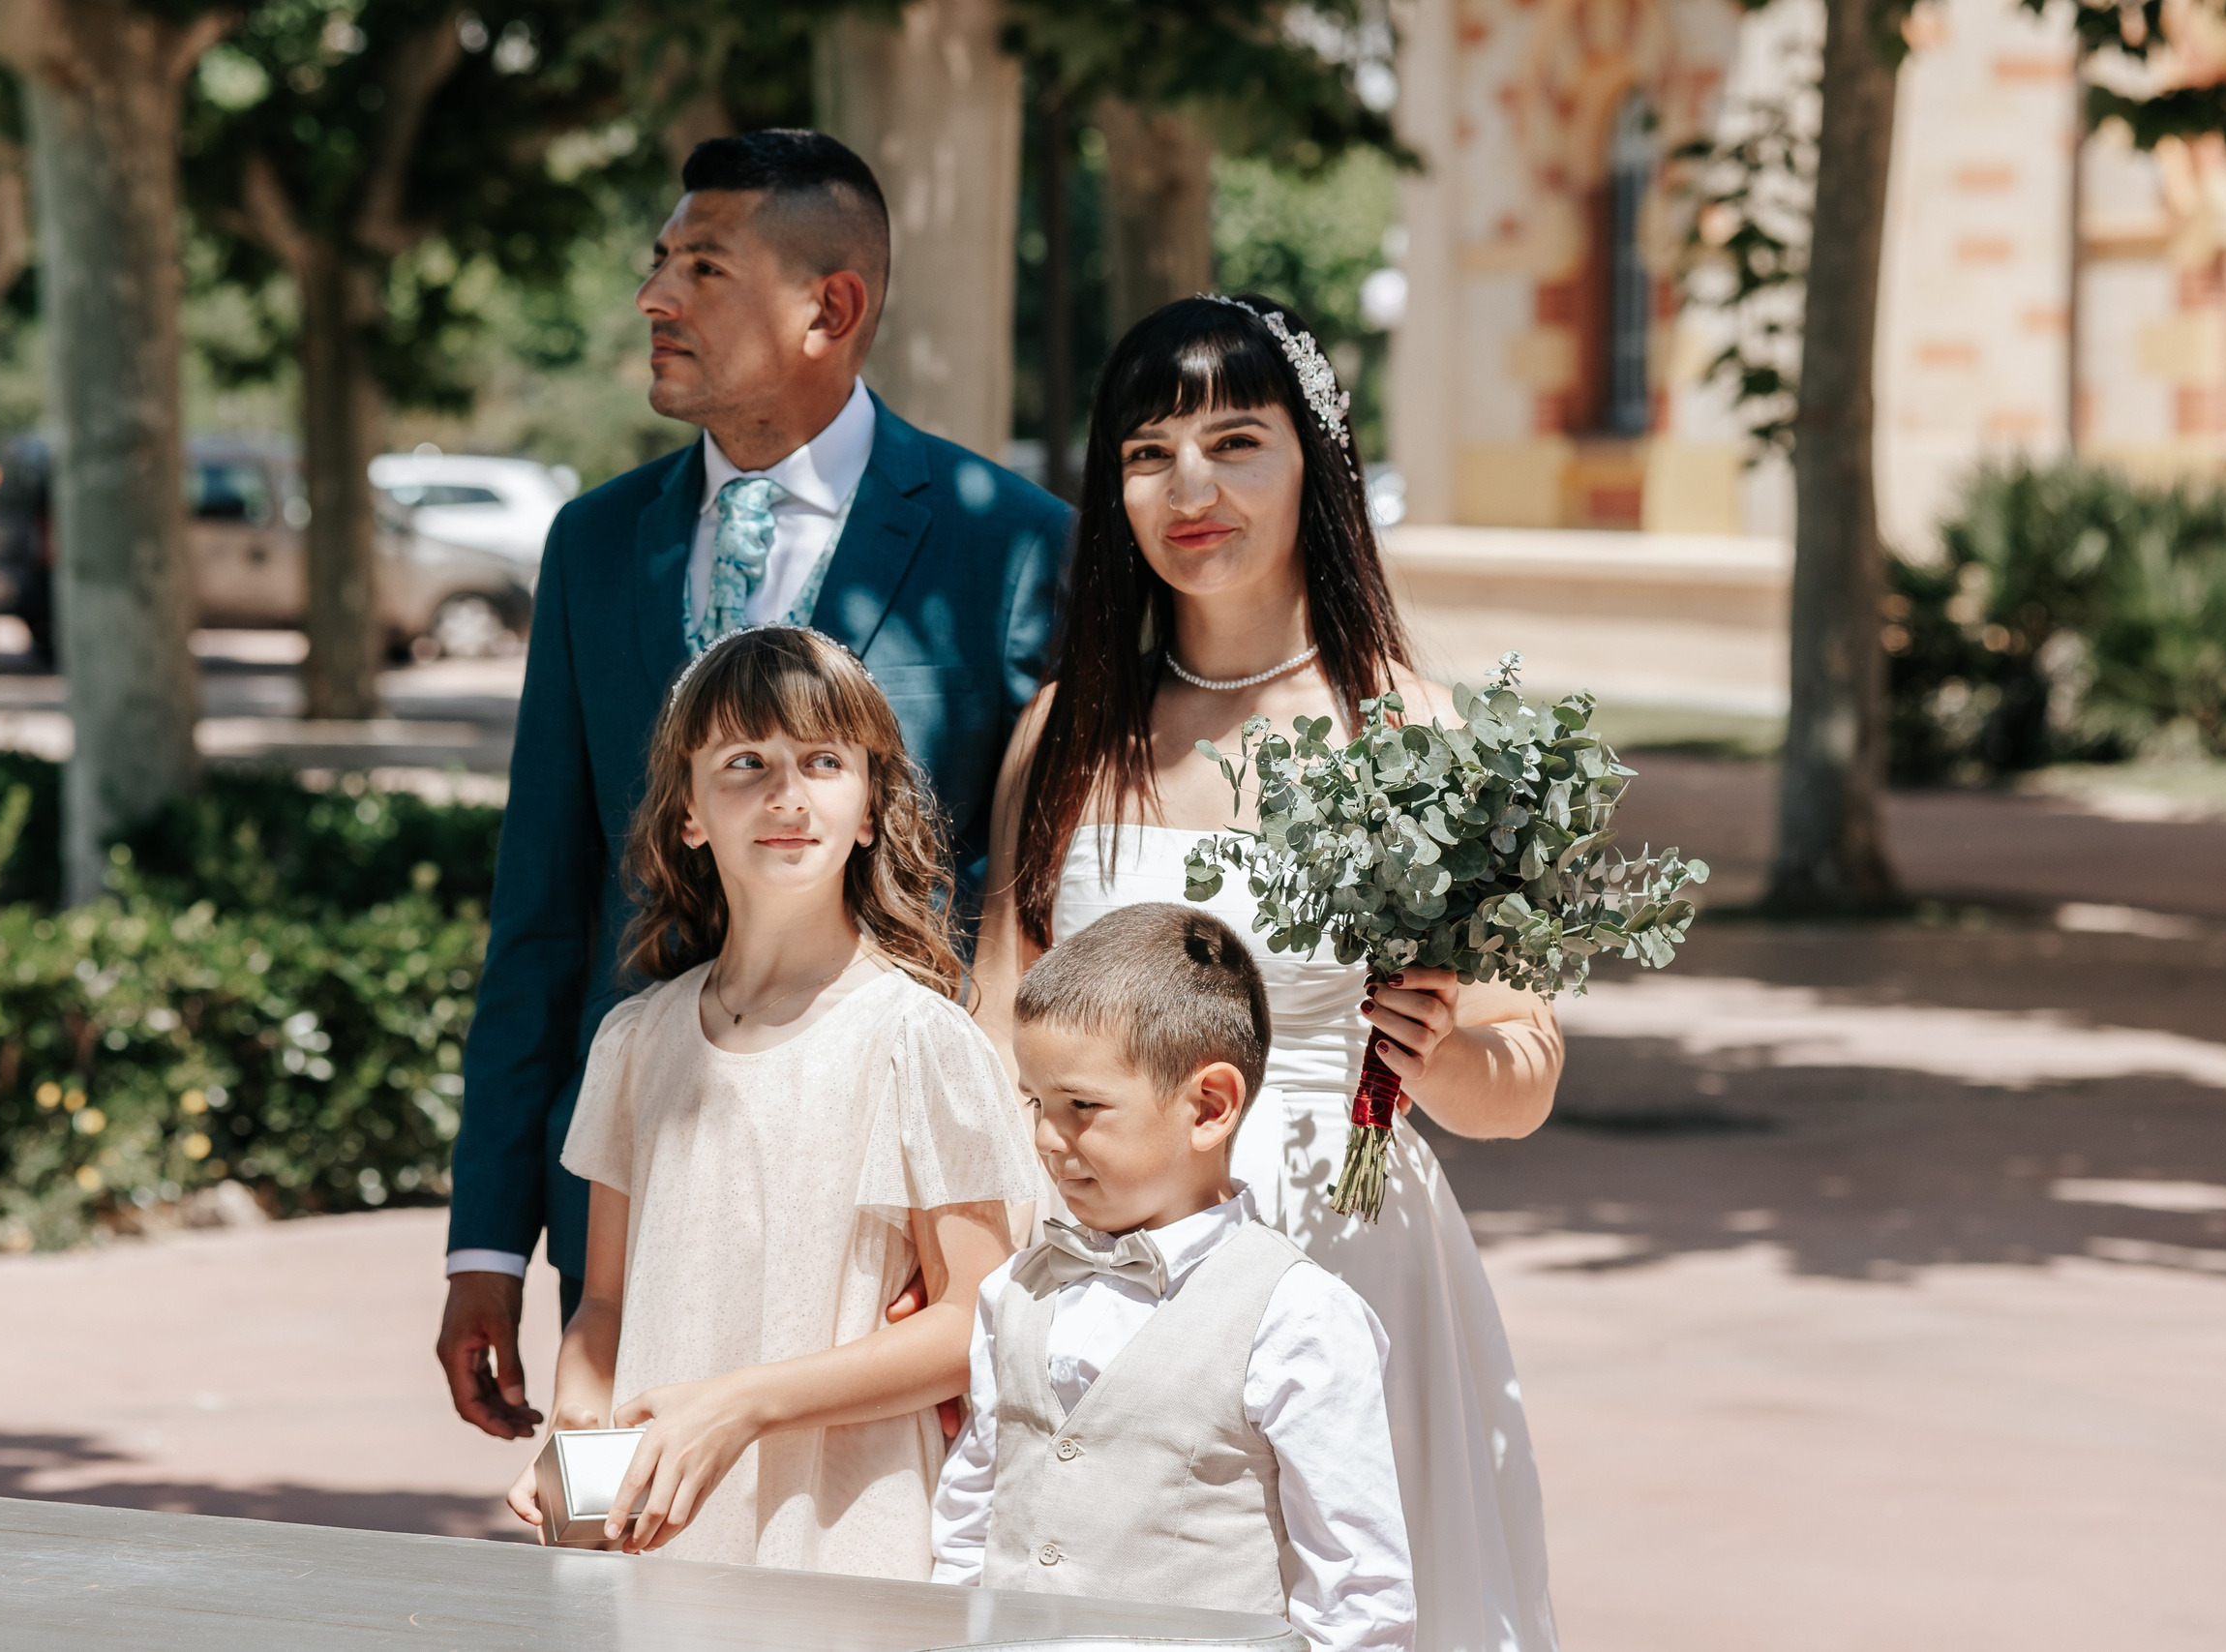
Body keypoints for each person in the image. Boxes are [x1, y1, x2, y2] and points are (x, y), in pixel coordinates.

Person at [438, 128, 1073, 1440]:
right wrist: (486, 1245)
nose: (655, 297)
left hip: (888, 1227)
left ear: (827, 308)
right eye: (660, 261)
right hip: (630, 1203)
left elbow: (1041, 903)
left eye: (703, 267)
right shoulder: (593, 543)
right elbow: (542, 902)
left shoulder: (1014, 546)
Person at [970, 295, 1568, 1652]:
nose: (1193, 488)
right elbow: (989, 1018)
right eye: (1147, 452)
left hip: (1345, 1248)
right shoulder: (1067, 730)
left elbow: (1520, 1075)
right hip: (1100, 1255)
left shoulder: (1411, 727)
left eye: (1238, 440)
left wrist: (1442, 1050)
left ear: (1318, 460)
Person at [506, 628, 1041, 1570]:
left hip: (846, 1532)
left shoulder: (919, 1043)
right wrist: (582, 1454)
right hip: (661, 1530)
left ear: (870, 808)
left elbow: (969, 1327)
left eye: (823, 761)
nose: (787, 794)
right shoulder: (636, 1042)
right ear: (688, 813)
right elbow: (604, 1306)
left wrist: (737, 1406)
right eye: (746, 762)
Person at [932, 903, 1413, 1652]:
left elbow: (1357, 1587)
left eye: (1082, 1106)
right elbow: (970, 1518)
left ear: (1208, 1106)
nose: (1046, 1138)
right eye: (1036, 1103)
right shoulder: (1016, 1289)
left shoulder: (1297, 1315)